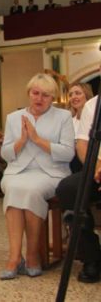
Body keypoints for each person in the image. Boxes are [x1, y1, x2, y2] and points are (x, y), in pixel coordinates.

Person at [0, 73, 74, 280]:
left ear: (53, 98)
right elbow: (5, 153)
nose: (39, 98)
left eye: (46, 95)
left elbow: (68, 153)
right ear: (29, 93)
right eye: (36, 93)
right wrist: (22, 140)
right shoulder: (13, 118)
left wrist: (37, 139)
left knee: (31, 190)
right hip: (17, 171)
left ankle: (32, 255)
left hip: (51, 172)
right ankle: (15, 258)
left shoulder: (63, 117)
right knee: (15, 188)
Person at [57, 93, 101, 283]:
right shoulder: (94, 105)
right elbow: (82, 145)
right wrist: (97, 169)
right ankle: (92, 257)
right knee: (68, 189)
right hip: (98, 168)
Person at [67, 82, 93, 173]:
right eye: (71, 95)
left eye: (78, 93)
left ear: (87, 96)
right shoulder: (69, 121)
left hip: (87, 163)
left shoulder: (94, 121)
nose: (73, 97)